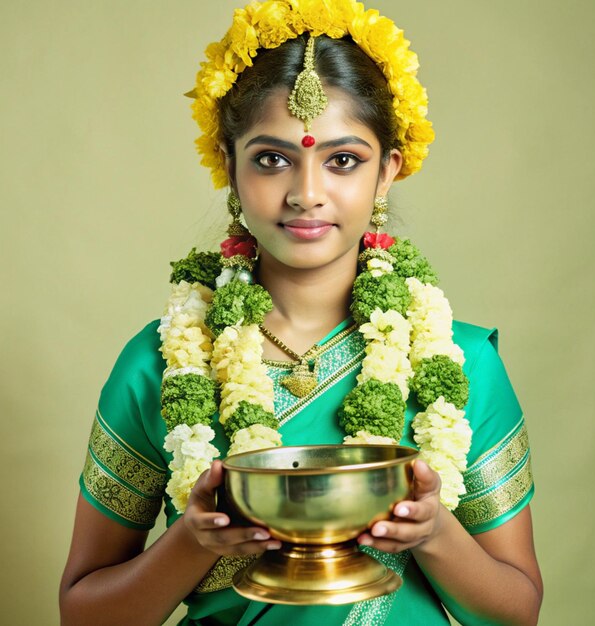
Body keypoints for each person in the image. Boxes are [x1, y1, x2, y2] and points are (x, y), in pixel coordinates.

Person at [60, 1, 542, 624]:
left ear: (387, 171)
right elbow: (82, 614)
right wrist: (193, 541)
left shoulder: (459, 361)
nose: (306, 192)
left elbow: (518, 613)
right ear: (228, 167)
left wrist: (433, 534)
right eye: (271, 159)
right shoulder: (159, 365)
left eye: (343, 160)